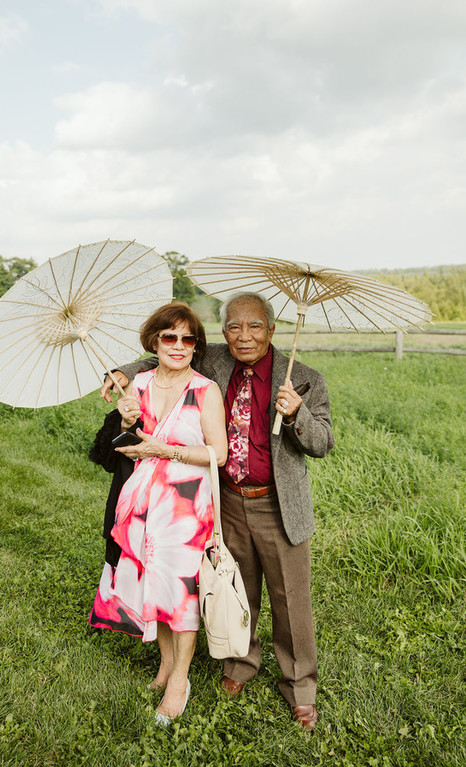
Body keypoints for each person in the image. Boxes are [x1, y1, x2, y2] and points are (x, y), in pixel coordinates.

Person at [101, 292, 334, 731]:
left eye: (254, 326)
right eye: (233, 327)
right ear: (224, 331)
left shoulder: (304, 377)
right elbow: (164, 358)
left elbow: (323, 442)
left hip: (277, 504)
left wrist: (299, 414)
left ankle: (300, 688)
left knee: (290, 601)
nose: (244, 336)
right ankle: (240, 666)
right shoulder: (216, 362)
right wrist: (120, 372)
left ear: (271, 328)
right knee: (231, 587)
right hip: (224, 499)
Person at [89, 302, 228, 725]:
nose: (180, 345)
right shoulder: (138, 385)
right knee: (156, 586)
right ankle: (165, 663)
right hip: (141, 504)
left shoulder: (206, 391)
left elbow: (217, 454)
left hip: (186, 510)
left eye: (189, 339)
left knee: (180, 594)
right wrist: (124, 419)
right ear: (154, 341)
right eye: (170, 337)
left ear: (196, 347)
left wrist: (160, 448)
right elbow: (113, 448)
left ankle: (179, 680)